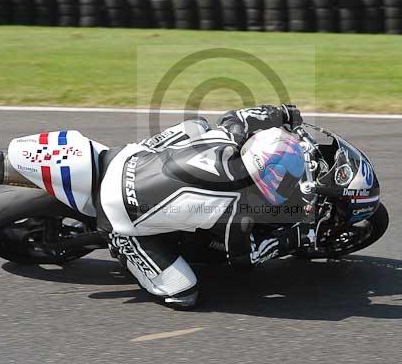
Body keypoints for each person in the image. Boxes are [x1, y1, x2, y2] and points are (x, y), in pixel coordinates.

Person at [97, 104, 379, 309]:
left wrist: (282, 113)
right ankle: (123, 241)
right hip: (121, 208)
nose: (289, 181)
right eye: (283, 179)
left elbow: (239, 117)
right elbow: (244, 259)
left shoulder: (231, 137)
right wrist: (297, 236)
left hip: (132, 159)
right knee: (184, 292)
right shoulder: (238, 212)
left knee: (198, 127)